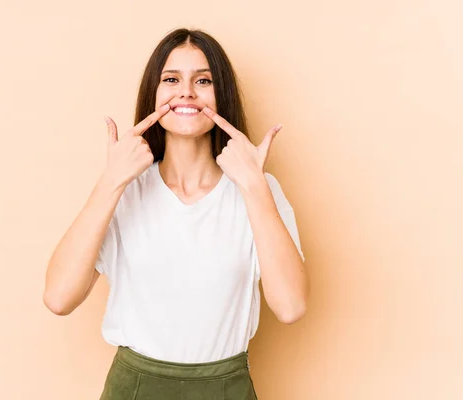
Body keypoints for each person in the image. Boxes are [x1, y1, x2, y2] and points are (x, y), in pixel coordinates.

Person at [43, 28, 307, 400]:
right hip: (134, 389)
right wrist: (110, 182)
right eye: (171, 79)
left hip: (226, 389)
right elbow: (58, 298)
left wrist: (253, 185)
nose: (186, 92)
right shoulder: (124, 190)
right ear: (154, 93)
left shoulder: (259, 191)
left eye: (203, 80)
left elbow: (291, 306)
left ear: (222, 95)